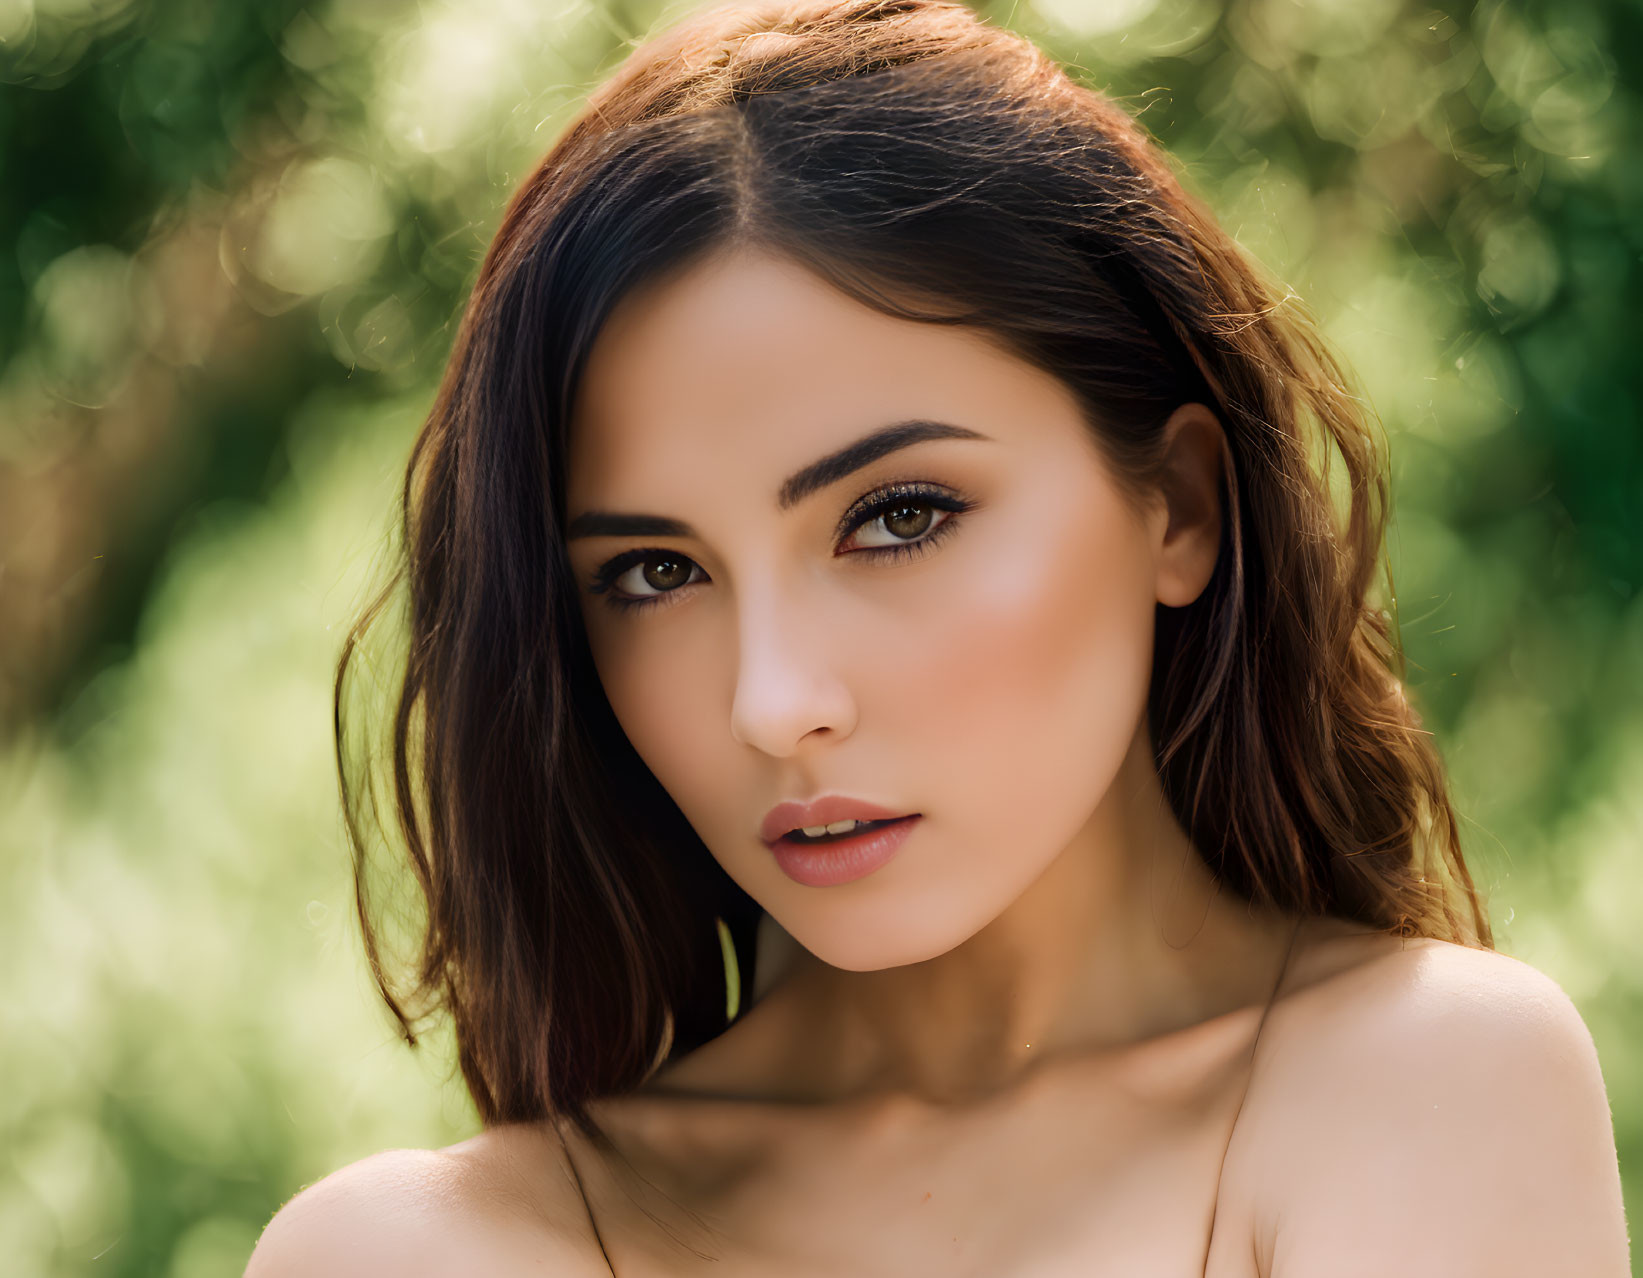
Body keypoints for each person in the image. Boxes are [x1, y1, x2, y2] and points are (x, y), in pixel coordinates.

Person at [244, 0, 1630, 1273]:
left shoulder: (1426, 1087)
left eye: (899, 516)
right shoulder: (424, 1249)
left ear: (1180, 506)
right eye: (658, 571)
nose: (775, 703)